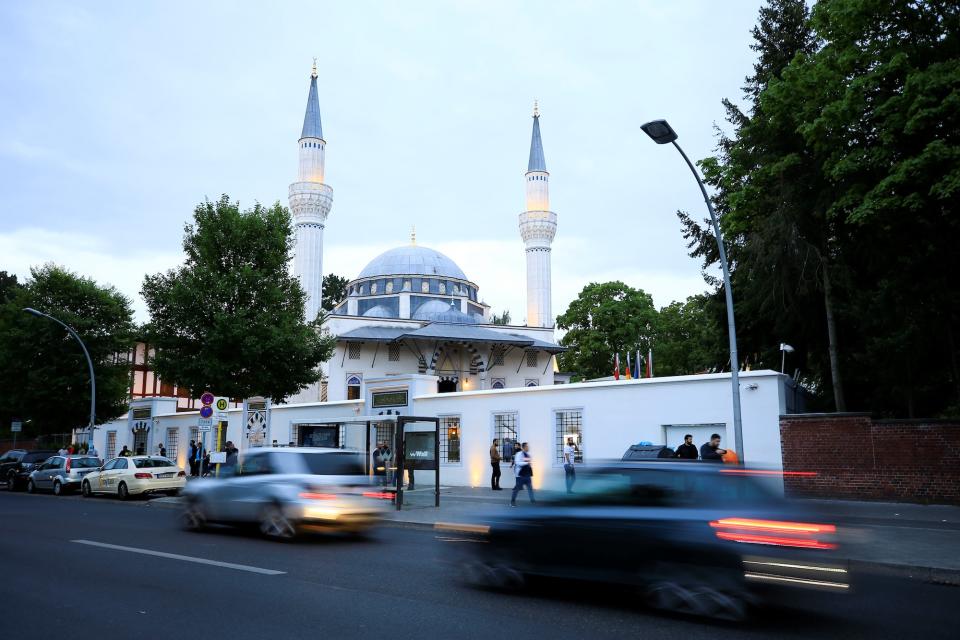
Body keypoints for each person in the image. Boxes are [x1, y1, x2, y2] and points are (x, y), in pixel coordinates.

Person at [510, 442, 535, 507]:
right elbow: (518, 463)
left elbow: (529, 463)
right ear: (523, 447)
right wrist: (526, 463)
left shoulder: (528, 454)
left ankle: (532, 501)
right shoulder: (519, 454)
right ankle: (512, 501)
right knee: (517, 489)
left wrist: (529, 466)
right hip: (520, 475)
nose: (528, 447)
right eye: (527, 446)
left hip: (527, 474)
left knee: (530, 487)